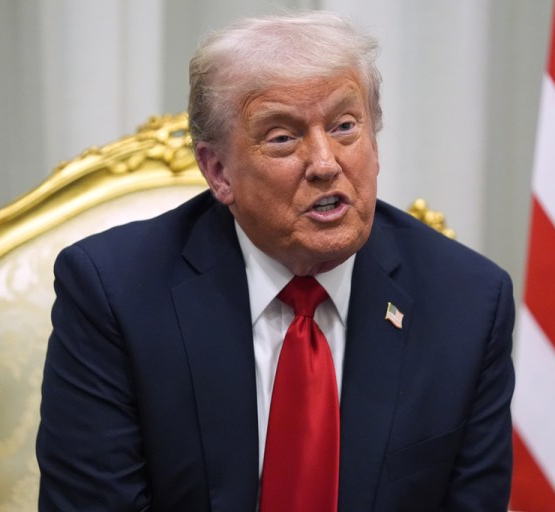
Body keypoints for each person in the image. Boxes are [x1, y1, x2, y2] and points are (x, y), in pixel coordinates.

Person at [36, 11, 515, 512]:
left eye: (345, 127)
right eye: (283, 137)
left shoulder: (468, 303)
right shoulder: (115, 293)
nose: (325, 163)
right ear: (219, 172)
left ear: (374, 145)